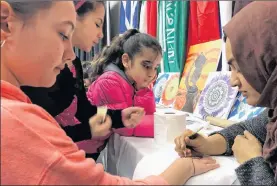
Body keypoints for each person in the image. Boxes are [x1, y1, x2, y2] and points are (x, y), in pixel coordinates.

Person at [1, 1, 220, 185]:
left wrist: (119, 116)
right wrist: (183, 169)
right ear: (6, 22)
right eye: (63, 34)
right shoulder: (17, 121)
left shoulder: (62, 72)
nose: (68, 53)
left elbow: (87, 110)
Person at [174, 1, 277, 185]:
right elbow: (252, 128)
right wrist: (208, 144)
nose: (232, 81)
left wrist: (251, 163)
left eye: (240, 67)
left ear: (275, 56)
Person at [20, 0, 144, 161]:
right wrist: (88, 130)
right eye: (97, 24)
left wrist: (118, 117)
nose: (101, 34)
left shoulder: (73, 62)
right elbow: (38, 135)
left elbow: (83, 109)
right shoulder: (39, 67)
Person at [87, 29, 160, 138]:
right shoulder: (109, 81)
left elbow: (147, 113)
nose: (151, 73)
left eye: (155, 68)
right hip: (80, 146)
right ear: (126, 60)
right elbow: (125, 127)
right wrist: (163, 125)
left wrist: (142, 89)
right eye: (146, 65)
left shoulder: (135, 82)